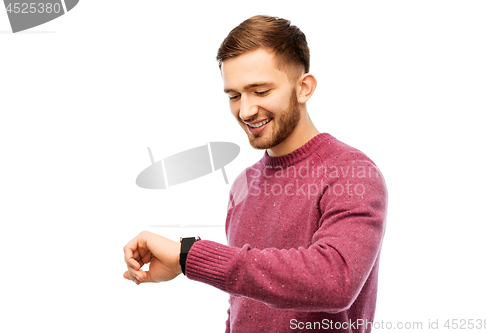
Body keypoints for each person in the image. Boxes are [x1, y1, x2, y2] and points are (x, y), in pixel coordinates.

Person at [123, 15, 388, 333]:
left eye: (260, 91)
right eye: (233, 95)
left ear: (304, 88)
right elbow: (243, 306)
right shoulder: (243, 185)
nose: (245, 111)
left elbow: (335, 281)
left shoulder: (352, 173)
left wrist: (189, 255)